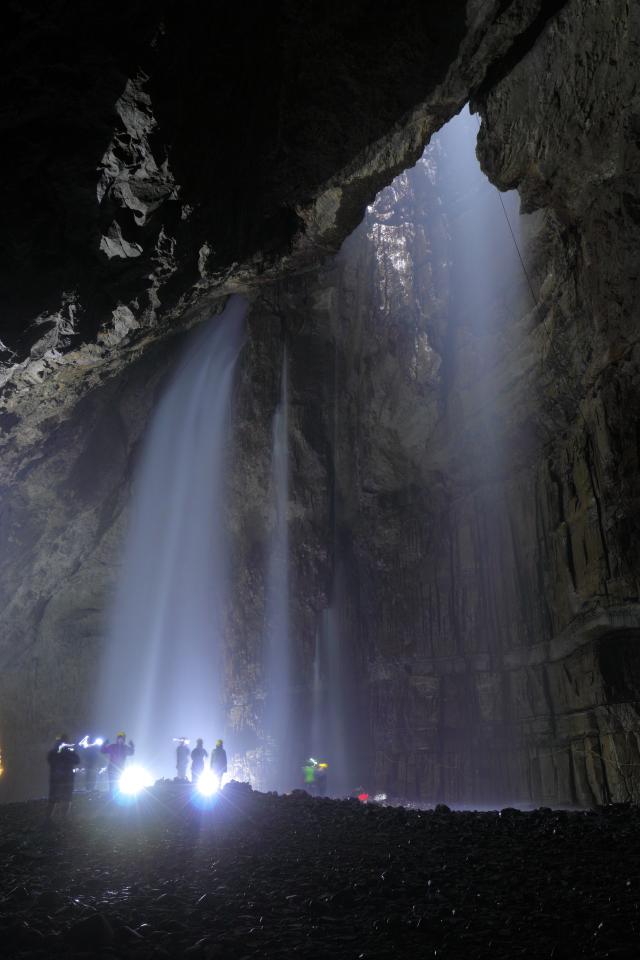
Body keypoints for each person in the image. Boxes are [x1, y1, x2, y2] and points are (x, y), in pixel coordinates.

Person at [46, 735, 80, 821]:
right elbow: (50, 760)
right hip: (59, 779)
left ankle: (60, 818)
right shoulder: (55, 752)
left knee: (65, 798)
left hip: (63, 779)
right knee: (57, 798)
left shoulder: (66, 752)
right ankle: (51, 818)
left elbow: (77, 760)